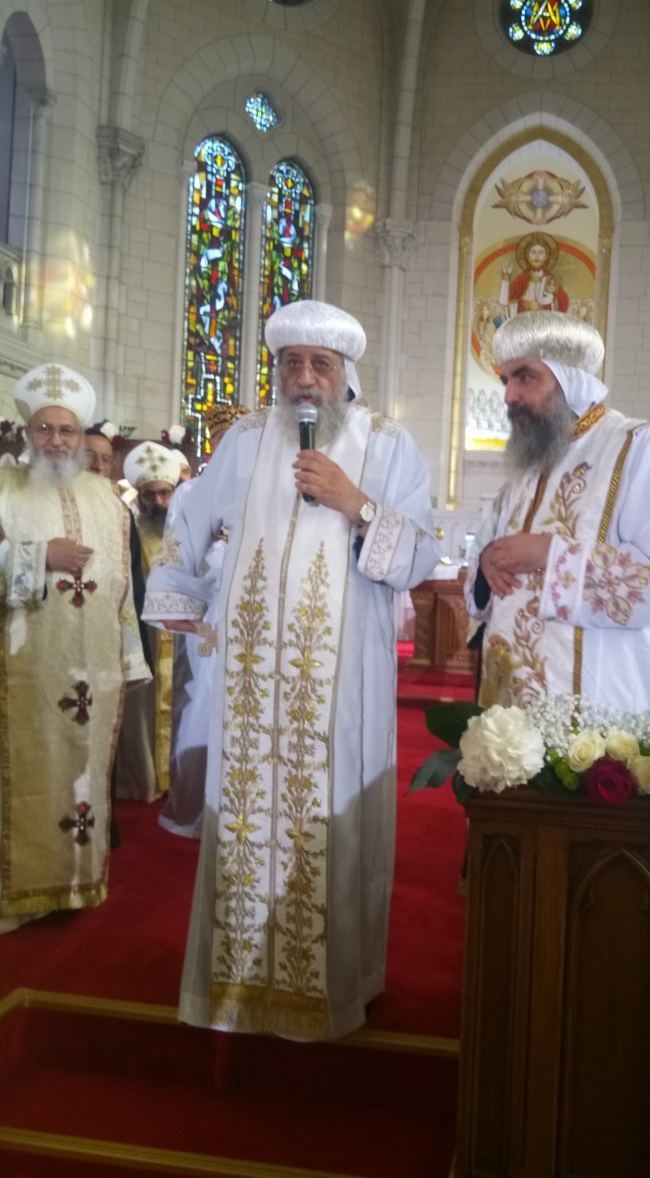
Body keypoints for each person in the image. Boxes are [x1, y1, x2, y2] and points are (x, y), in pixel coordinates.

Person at [143, 299, 440, 1041]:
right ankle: (237, 986)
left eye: (321, 365)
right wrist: (182, 593)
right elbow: (189, 518)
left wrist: (355, 502)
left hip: (341, 686)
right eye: (292, 364)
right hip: (249, 683)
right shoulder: (245, 440)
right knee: (247, 820)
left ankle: (338, 987)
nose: (305, 379)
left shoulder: (389, 444)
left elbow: (421, 555)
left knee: (328, 827)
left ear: (346, 377)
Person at [466, 311, 650, 714]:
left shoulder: (642, 448)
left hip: (603, 702)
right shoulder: (530, 464)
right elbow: (492, 562)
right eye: (506, 380)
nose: (508, 396)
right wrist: (489, 561)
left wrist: (548, 554)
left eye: (525, 376)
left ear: (571, 378)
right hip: (511, 706)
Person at [0, 363, 149, 932]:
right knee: (28, 776)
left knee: (83, 779)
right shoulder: (5, 490)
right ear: (26, 432)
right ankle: (20, 893)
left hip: (93, 678)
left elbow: (124, 589)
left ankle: (75, 884)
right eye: (45, 430)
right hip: (24, 670)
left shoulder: (109, 500)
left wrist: (131, 659)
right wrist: (40, 560)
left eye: (66, 430)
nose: (56, 441)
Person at [160, 402, 252, 840]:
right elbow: (176, 554)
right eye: (223, 443)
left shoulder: (263, 491)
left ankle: (239, 805)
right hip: (203, 611)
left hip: (247, 613)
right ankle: (194, 800)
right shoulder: (189, 492)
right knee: (198, 700)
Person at [115, 441, 181, 801]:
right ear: (138, 495)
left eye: (165, 493)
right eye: (151, 495)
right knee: (144, 710)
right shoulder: (128, 530)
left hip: (183, 636)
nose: (159, 502)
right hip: (145, 635)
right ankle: (143, 780)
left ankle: (178, 775)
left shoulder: (185, 527)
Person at [499, 231, 570, 316]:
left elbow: (563, 303)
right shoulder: (522, 280)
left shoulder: (551, 280)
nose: (537, 256)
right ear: (527, 257)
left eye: (541, 253)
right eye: (533, 252)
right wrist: (506, 277)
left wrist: (553, 297)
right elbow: (505, 301)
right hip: (524, 320)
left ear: (546, 257)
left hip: (544, 321)